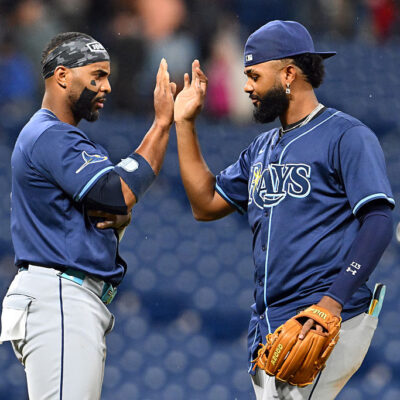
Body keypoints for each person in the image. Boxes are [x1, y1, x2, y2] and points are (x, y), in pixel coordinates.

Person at [173, 20, 394, 399]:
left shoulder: (346, 135)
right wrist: (184, 122)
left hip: (321, 321)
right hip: (272, 328)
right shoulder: (260, 149)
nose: (247, 87)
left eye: (254, 75)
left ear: (288, 73)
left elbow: (379, 220)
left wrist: (331, 303)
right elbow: (205, 204)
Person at [0, 32, 175, 399]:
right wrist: (161, 123)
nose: (107, 86)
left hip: (58, 295)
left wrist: (120, 212)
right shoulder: (51, 135)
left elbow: (111, 203)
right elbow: (118, 193)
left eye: (107, 76)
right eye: (96, 75)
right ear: (62, 75)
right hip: (59, 295)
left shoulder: (51, 136)